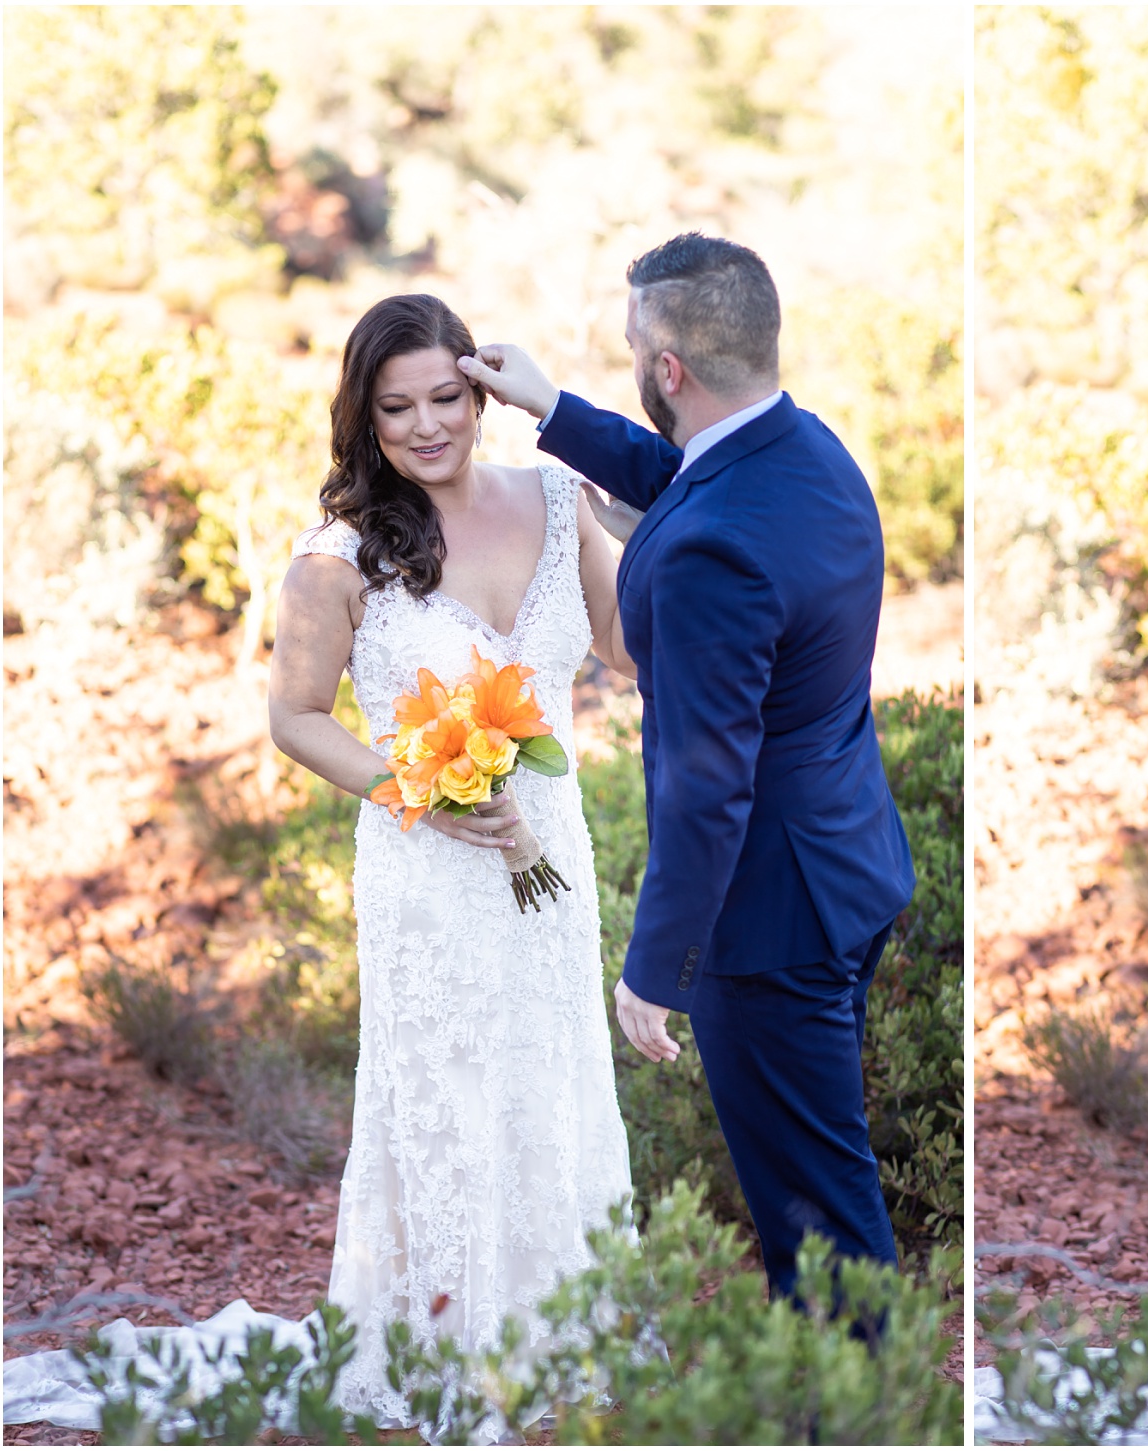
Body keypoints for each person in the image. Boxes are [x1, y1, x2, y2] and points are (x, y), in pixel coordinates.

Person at [458, 232, 916, 1302]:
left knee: (816, 1207)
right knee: (825, 1185)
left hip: (766, 920)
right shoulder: (810, 454)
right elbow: (688, 477)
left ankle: (847, 1416)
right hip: (847, 866)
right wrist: (555, 410)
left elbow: (708, 785)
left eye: (631, 346)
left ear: (669, 369)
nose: (627, 359)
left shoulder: (713, 548)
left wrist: (657, 967)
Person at [266, 293, 636, 1424]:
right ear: (363, 416)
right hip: (426, 872)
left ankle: (560, 1339)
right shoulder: (338, 560)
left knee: (551, 1076)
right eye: (396, 407)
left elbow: (630, 643)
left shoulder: (561, 499)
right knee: (446, 1092)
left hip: (549, 859)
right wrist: (410, 788)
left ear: (483, 392)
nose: (427, 426)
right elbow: (295, 716)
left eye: (446, 398)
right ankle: (446, 1349)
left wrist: (579, 423)